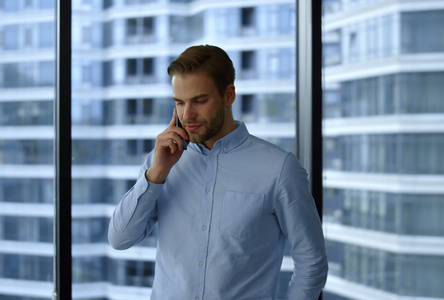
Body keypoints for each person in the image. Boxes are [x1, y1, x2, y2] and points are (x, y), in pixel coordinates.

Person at [108, 44, 328, 300]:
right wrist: (156, 174)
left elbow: (311, 261)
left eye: (199, 101)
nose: (187, 115)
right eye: (179, 103)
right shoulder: (162, 162)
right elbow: (119, 239)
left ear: (229, 95)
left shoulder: (279, 169)